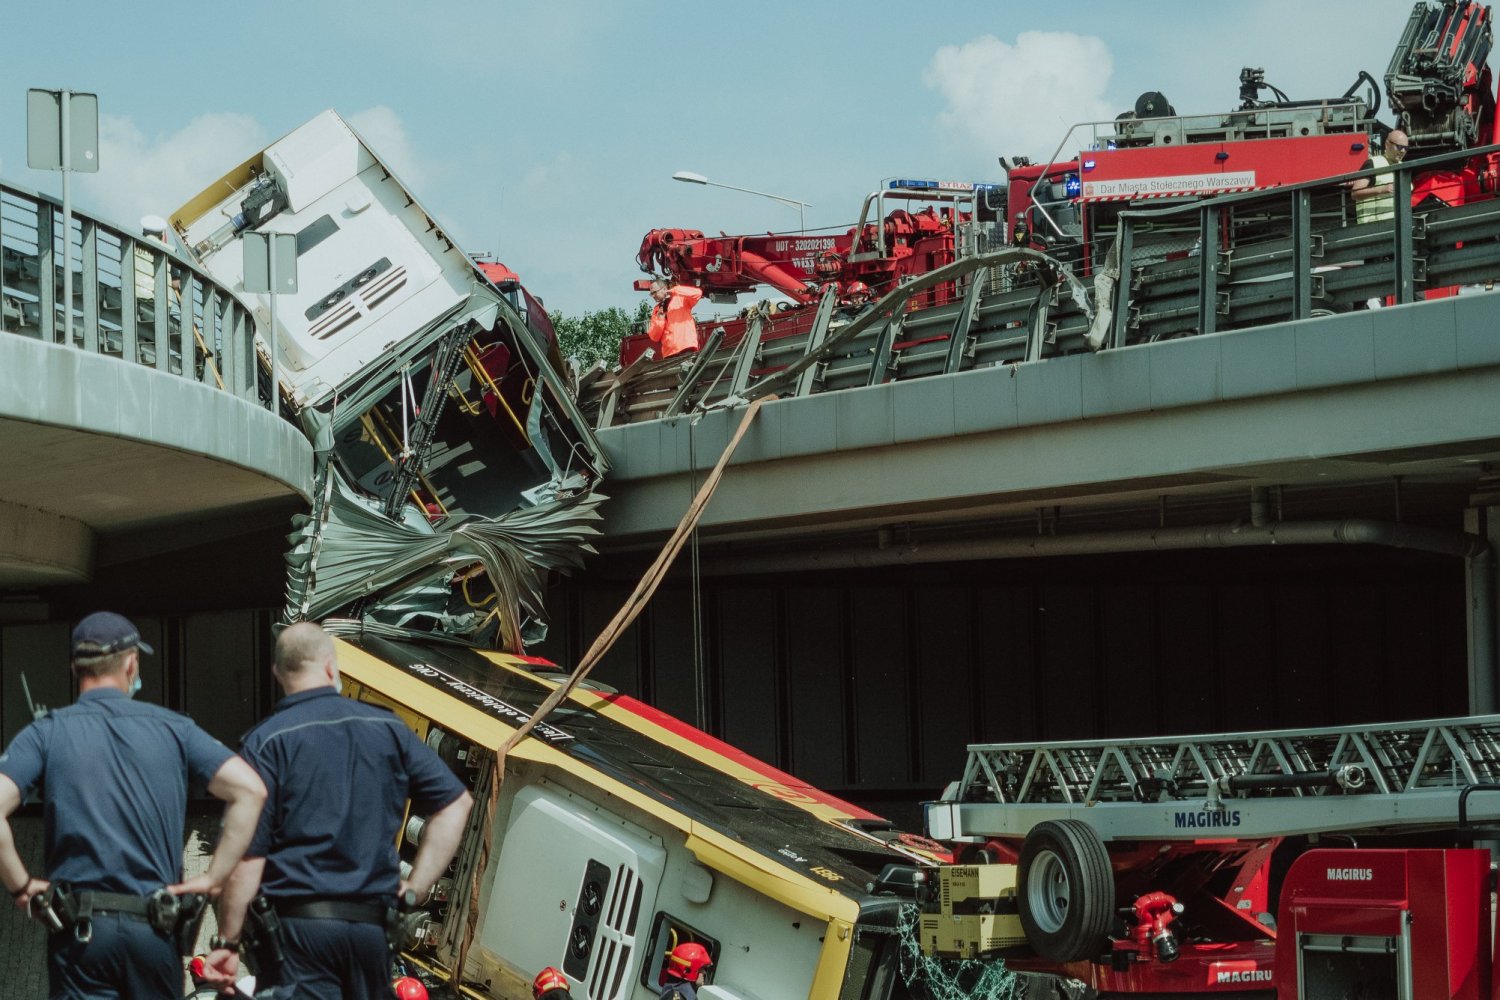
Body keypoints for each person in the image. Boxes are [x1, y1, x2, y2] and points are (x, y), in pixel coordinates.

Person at [0, 611, 267, 999]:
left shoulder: (47, 732)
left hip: (81, 934)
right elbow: (250, 791)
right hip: (154, 932)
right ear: (131, 663)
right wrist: (213, 878)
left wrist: (21, 886)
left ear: (76, 668)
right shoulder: (175, 729)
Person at [201, 622, 474, 999]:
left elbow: (248, 860)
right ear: (331, 667)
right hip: (372, 933)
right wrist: (415, 889)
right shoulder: (387, 729)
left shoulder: (266, 743)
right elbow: (457, 803)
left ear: (278, 673)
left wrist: (229, 943)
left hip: (300, 934)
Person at [1351, 128, 1409, 224]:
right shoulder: (1373, 163)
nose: (1402, 151)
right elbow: (1355, 193)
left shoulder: (1403, 167)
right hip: (1372, 226)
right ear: (1387, 144)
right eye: (1399, 147)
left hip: (1396, 225)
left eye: (1406, 148)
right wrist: (1382, 189)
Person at [646, 279, 705, 358]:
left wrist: (674, 290)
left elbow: (698, 293)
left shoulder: (680, 299)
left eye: (654, 292)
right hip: (669, 354)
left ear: (664, 289)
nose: (653, 296)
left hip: (686, 348)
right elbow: (654, 337)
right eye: (651, 294)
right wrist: (660, 320)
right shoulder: (656, 310)